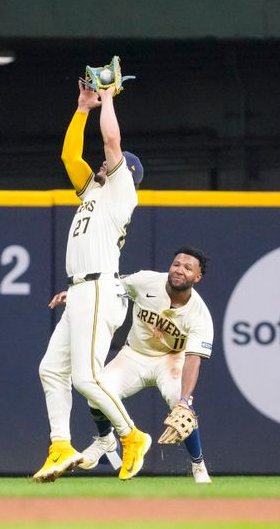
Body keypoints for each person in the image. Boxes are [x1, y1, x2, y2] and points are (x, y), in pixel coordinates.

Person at [33, 80, 150, 482]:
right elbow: (69, 154)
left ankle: (132, 436)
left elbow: (112, 142)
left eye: (114, 165)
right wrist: (82, 108)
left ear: (127, 174)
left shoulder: (121, 193)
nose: (104, 166)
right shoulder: (93, 193)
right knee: (51, 370)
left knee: (86, 377)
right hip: (84, 288)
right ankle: (60, 445)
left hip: (100, 287)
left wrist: (109, 101)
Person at [49, 246, 214, 484]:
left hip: (171, 359)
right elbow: (105, 289)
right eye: (176, 264)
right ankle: (106, 442)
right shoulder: (145, 281)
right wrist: (74, 296)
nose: (180, 270)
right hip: (134, 354)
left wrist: (185, 400)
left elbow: (193, 358)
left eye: (188, 268)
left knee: (181, 408)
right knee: (95, 389)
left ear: (197, 277)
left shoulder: (200, 315)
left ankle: (198, 465)